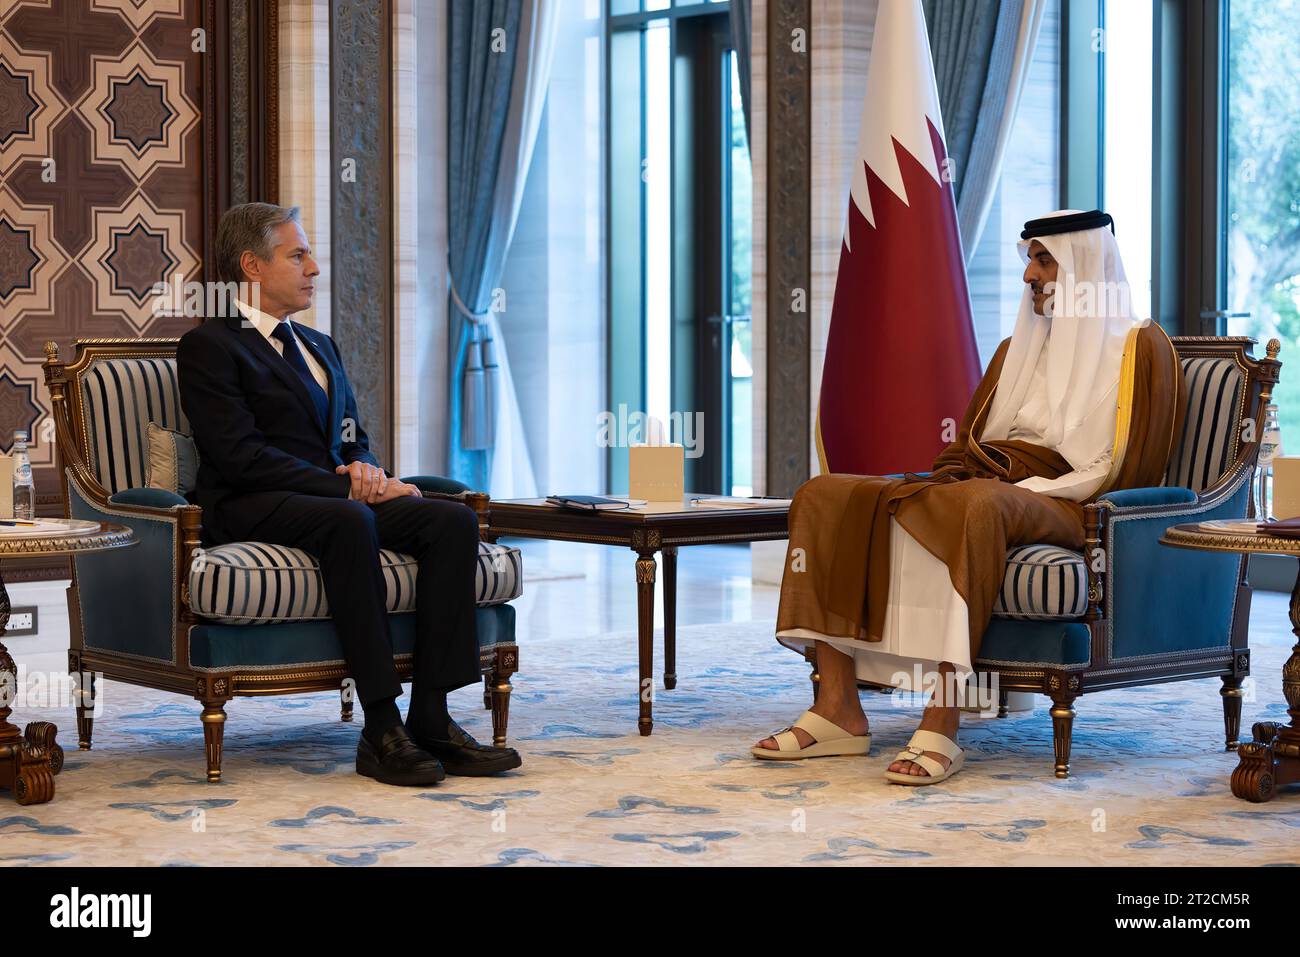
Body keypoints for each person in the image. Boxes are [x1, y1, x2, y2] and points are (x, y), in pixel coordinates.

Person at [754, 209, 1185, 785]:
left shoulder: (1140, 348)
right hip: (995, 485)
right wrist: (972, 476)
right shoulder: (1015, 350)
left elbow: (1129, 464)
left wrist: (1018, 486)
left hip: (1074, 501)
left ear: (1083, 267)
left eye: (1043, 259)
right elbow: (973, 443)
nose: (1029, 275)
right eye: (1028, 260)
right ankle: (837, 706)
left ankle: (942, 718)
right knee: (826, 494)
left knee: (976, 504)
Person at [178, 202, 521, 787]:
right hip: (252, 502)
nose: (314, 267)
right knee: (349, 522)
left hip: (330, 501)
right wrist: (347, 485)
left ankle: (432, 718)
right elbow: (241, 457)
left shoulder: (319, 344)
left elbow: (351, 437)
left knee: (450, 523)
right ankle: (381, 728)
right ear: (251, 266)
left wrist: (365, 468)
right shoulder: (211, 345)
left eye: (310, 253)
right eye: (298, 254)